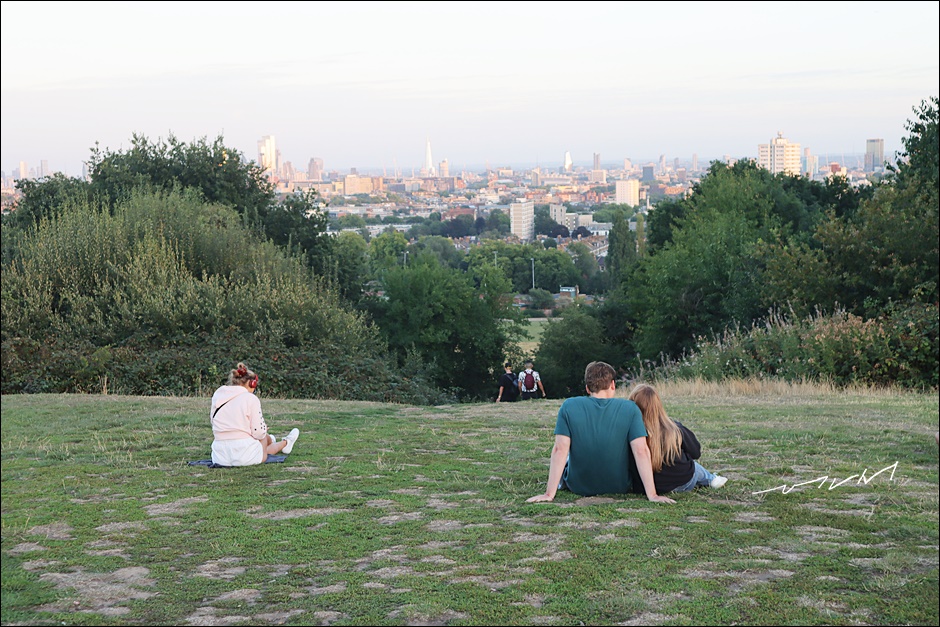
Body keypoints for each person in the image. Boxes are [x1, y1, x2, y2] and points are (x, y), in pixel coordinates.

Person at [526, 361, 675, 504]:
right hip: (619, 486)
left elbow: (560, 449)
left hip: (577, 486)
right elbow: (641, 450)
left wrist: (549, 494)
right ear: (613, 385)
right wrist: (652, 495)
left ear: (587, 388)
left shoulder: (568, 406)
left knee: (568, 455)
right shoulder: (630, 408)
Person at [627, 383, 727, 493]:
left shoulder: (629, 432)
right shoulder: (674, 428)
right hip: (683, 482)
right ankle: (711, 479)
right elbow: (696, 453)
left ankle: (710, 478)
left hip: (644, 486)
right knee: (694, 466)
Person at [210, 362, 300, 467]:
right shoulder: (250, 398)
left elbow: (213, 421)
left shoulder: (218, 395)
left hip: (219, 457)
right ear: (251, 383)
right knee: (262, 438)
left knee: (259, 442)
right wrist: (264, 430)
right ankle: (286, 442)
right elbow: (259, 433)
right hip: (244, 455)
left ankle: (272, 440)